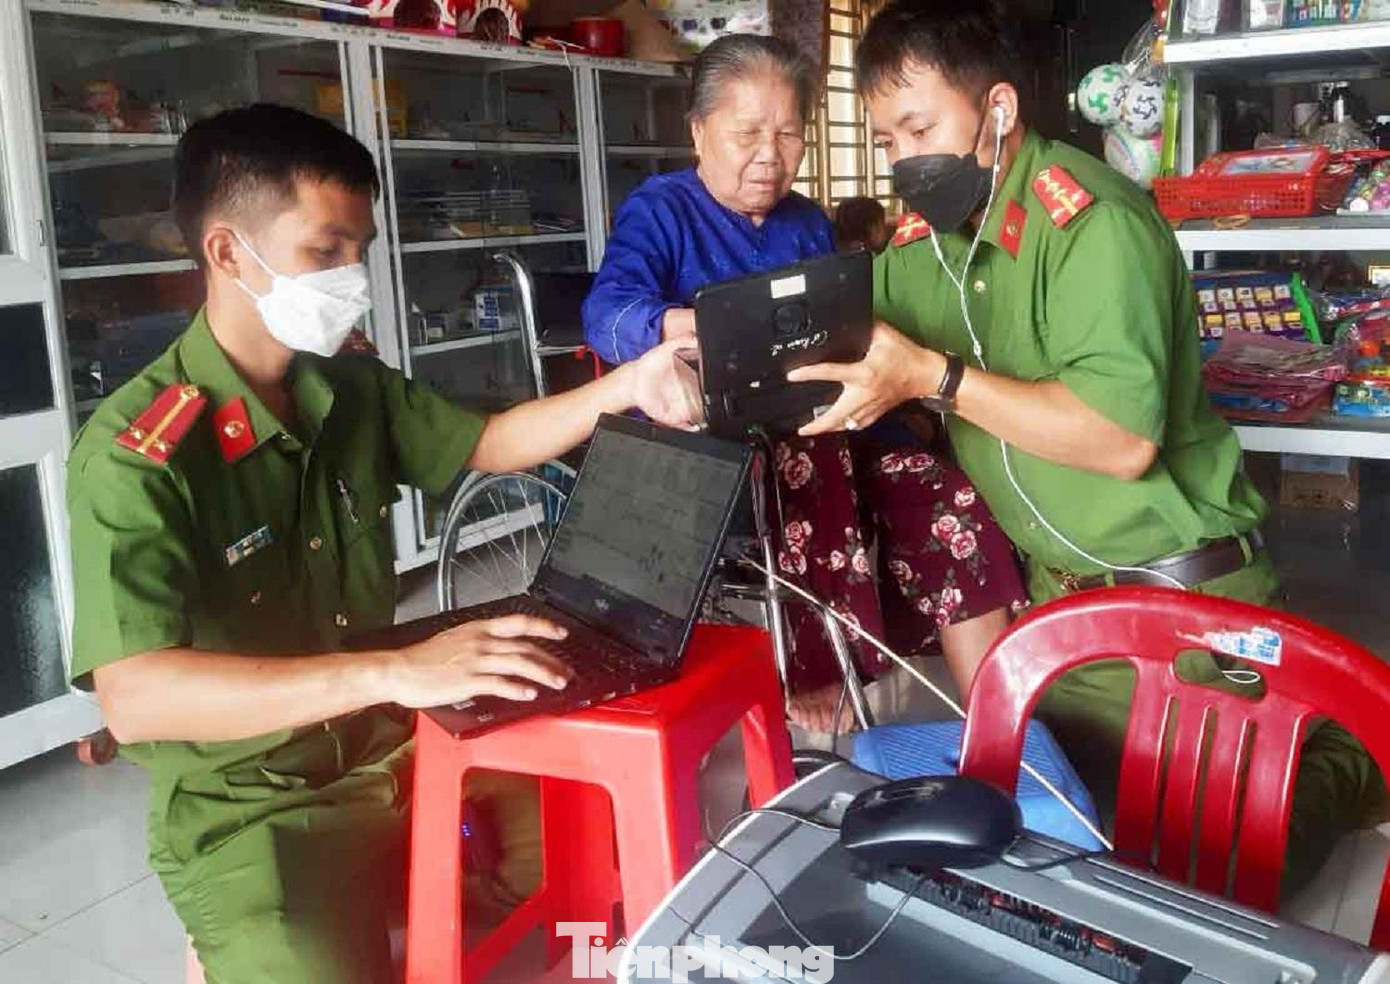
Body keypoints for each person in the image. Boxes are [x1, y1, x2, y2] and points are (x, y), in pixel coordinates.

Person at [65, 103, 701, 984]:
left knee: (594, 880)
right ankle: (233, 940)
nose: (352, 278)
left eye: (359, 250)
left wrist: (631, 382)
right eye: (324, 252)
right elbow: (134, 699)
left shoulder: (345, 386)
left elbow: (486, 443)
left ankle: (406, 887)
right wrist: (398, 670)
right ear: (226, 252)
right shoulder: (139, 452)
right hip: (253, 805)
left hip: (395, 745)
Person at [790, 0, 1383, 895]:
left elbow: (1119, 443)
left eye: (920, 127)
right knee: (1033, 852)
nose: (905, 163)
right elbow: (849, 332)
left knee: (1203, 879)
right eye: (884, 141)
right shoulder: (926, 249)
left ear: (997, 110)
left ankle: (1348, 754)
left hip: (1178, 613)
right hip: (1054, 625)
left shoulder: (1092, 225)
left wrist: (934, 379)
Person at [582, 33, 1026, 733]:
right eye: (748, 133)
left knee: (937, 487)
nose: (770, 154)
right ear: (698, 131)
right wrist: (688, 328)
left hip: (823, 425)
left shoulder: (807, 223)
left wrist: (896, 415)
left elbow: (841, 346)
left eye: (789, 134)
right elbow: (607, 313)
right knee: (809, 459)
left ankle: (1002, 730)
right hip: (715, 445)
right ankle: (823, 668)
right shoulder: (661, 209)